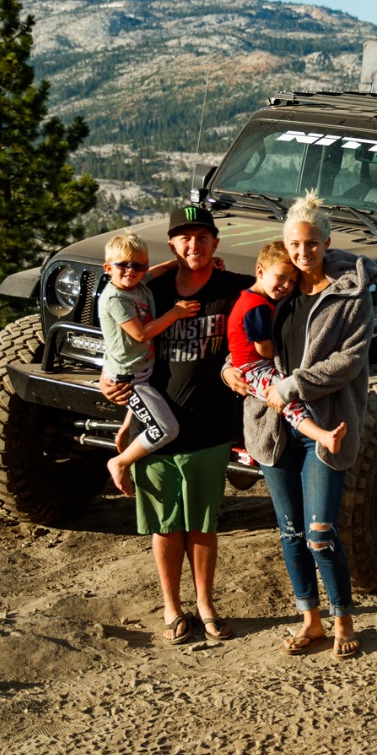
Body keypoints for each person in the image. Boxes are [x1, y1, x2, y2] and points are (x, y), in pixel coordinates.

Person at [233, 191, 377, 659]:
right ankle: (310, 621)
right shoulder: (280, 287)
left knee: (320, 531)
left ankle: (342, 618)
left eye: (311, 244)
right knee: (290, 531)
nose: (302, 253)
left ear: (327, 241)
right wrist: (228, 371)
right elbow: (242, 339)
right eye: (294, 245)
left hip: (327, 421)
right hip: (271, 425)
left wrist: (293, 386)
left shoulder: (350, 294)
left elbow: (350, 361)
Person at [99, 205, 248, 646]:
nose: (194, 245)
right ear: (172, 244)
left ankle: (205, 605)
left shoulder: (233, 288)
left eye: (202, 237)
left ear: (215, 243)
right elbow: (125, 351)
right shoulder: (150, 290)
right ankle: (172, 607)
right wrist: (111, 386)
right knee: (166, 525)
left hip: (210, 425)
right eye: (184, 238)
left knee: (203, 523)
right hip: (157, 428)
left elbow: (276, 294)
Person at [97, 232, 200, 497]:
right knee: (165, 429)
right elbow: (141, 334)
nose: (132, 271)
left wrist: (183, 262)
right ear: (108, 268)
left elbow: (159, 270)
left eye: (139, 266)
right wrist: (175, 313)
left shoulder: (138, 284)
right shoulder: (116, 299)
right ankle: (120, 462)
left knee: (147, 405)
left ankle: (123, 434)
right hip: (128, 376)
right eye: (123, 265)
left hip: (141, 369)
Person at [228, 239, 347, 456]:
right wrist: (279, 354)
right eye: (281, 277)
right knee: (286, 400)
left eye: (292, 281)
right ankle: (322, 436)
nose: (286, 286)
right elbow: (263, 347)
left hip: (250, 365)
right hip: (252, 369)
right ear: (260, 271)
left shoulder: (252, 298)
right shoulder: (257, 307)